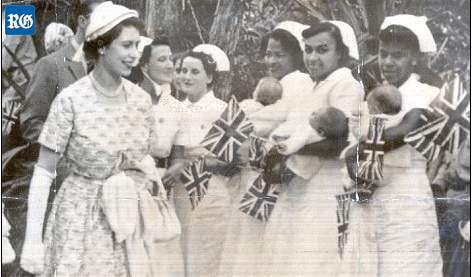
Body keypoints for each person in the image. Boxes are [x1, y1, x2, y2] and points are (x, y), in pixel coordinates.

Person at [19, 2, 162, 276]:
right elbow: (43, 172)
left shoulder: (141, 101)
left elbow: (144, 157)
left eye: (137, 46)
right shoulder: (71, 100)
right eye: (127, 46)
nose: (134, 55)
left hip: (127, 219)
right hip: (80, 217)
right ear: (102, 46)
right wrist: (32, 242)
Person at [260, 20, 364, 276]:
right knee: (285, 259)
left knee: (314, 261)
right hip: (296, 186)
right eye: (308, 50)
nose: (313, 57)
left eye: (322, 49)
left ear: (341, 52)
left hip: (324, 189)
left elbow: (342, 141)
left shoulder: (346, 84)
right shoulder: (311, 85)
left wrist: (289, 151)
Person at [346, 14, 443, 276]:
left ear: (414, 58)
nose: (387, 62)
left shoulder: (426, 93)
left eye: (397, 56)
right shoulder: (374, 96)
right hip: (371, 199)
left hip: (407, 198)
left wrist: (361, 147)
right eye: (383, 54)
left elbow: (406, 131)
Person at [172, 50, 236, 277]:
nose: (186, 76)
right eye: (181, 71)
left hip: (210, 192)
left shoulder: (222, 109)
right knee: (178, 257)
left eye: (194, 72)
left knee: (205, 259)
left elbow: (234, 162)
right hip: (178, 192)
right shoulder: (173, 108)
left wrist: (198, 163)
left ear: (209, 77)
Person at [135, 36, 187, 276]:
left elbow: (179, 152)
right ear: (144, 65)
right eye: (162, 59)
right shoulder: (130, 99)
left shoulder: (177, 106)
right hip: (134, 184)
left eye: (171, 59)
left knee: (164, 252)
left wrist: (177, 166)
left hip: (164, 187)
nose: (170, 65)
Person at [250, 21, 313, 136]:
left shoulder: (300, 81)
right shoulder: (269, 82)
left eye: (279, 55)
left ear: (296, 57)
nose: (271, 61)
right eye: (268, 54)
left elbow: (272, 118)